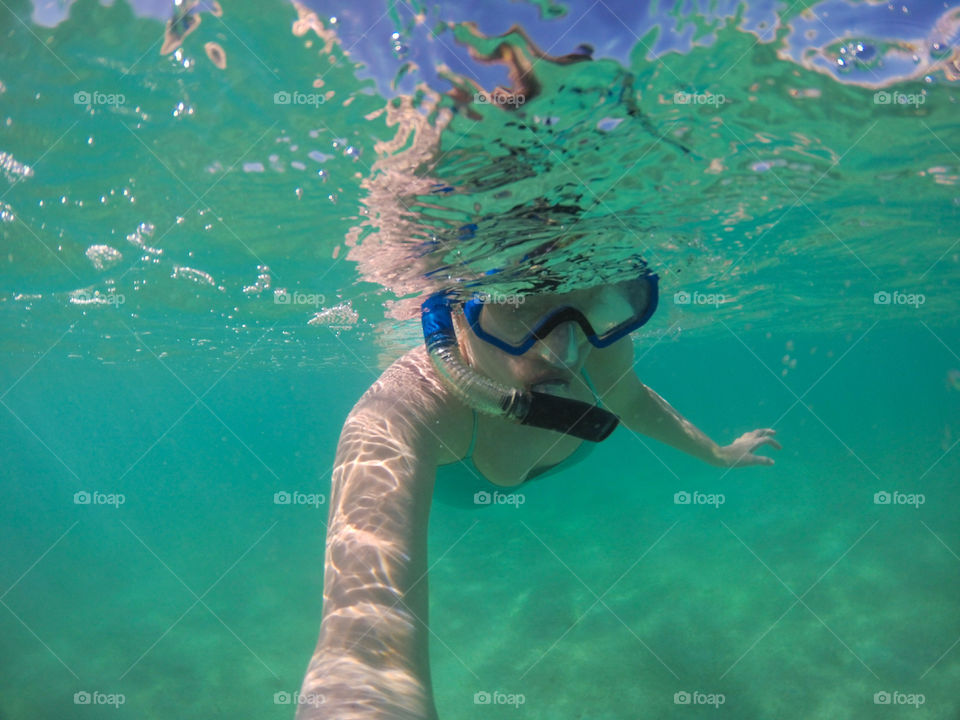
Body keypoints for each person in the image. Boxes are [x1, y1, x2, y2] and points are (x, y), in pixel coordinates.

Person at [294, 264, 781, 719]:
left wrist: (716, 453)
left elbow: (631, 400)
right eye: (521, 309)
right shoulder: (400, 412)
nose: (563, 351)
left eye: (588, 306)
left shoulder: (601, 349)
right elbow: (365, 649)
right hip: (462, 487)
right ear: (454, 321)